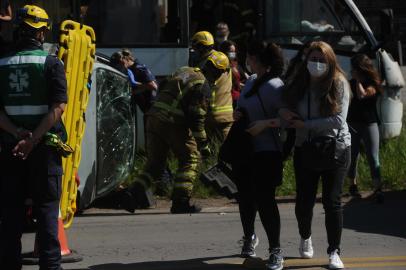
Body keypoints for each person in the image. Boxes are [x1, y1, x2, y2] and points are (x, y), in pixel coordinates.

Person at [0, 4, 68, 270]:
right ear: (40, 34)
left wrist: (18, 134)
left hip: (10, 150)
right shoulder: (51, 63)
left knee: (10, 215)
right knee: (47, 213)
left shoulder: (1, 64)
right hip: (43, 152)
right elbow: (58, 107)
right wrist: (34, 139)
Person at [124, 51, 230, 214]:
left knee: (155, 163)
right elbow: (197, 118)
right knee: (191, 158)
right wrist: (204, 145)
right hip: (172, 122)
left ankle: (132, 195)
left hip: (154, 118)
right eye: (221, 73)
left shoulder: (184, 71)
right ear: (217, 71)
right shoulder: (203, 85)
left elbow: (162, 87)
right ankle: (180, 201)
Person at [280, 41, 351, 269]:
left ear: (330, 62)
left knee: (332, 202)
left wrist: (306, 124)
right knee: (304, 202)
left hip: (335, 147)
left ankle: (334, 251)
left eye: (322, 60)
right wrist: (284, 113)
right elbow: (282, 104)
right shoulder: (298, 83)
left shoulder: (338, 83)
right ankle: (305, 236)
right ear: (306, 60)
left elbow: (338, 120)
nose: (317, 64)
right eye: (313, 59)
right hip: (305, 147)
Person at [232, 40, 285, 270]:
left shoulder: (275, 86)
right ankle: (249, 237)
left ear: (257, 60)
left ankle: (276, 250)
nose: (247, 62)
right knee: (245, 198)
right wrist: (239, 113)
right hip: (246, 150)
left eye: (250, 58)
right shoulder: (251, 81)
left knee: (265, 201)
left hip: (268, 152)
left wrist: (265, 124)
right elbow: (244, 106)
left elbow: (289, 119)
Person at [346, 54, 383, 202]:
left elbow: (361, 95)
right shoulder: (350, 83)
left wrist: (357, 81)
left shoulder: (373, 84)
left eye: (354, 69)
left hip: (369, 123)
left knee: (373, 156)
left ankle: (377, 187)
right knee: (352, 156)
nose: (352, 71)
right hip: (353, 123)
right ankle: (352, 186)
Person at [190, 31, 233, 141]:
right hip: (216, 116)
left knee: (222, 154)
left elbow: (205, 83)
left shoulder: (217, 58)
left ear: (202, 47)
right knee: (218, 153)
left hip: (215, 114)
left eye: (195, 48)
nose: (193, 51)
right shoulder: (203, 61)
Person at [121, 48, 158, 113]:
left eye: (122, 62)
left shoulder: (139, 67)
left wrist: (136, 91)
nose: (121, 64)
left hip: (151, 107)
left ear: (127, 59)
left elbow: (153, 86)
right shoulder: (129, 69)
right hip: (146, 109)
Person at [219, 39, 248, 107]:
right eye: (231, 51)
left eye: (234, 51)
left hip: (239, 97)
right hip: (230, 99)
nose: (233, 54)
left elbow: (244, 77)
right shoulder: (221, 66)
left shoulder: (235, 64)